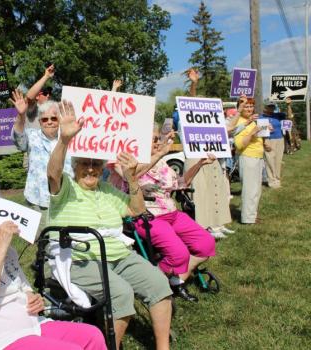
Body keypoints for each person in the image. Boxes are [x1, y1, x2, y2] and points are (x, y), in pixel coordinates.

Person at [47, 101, 172, 349]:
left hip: (116, 253)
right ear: (75, 166)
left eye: (96, 164)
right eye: (85, 163)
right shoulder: (66, 187)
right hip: (80, 258)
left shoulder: (107, 190)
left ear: (103, 167)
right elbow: (53, 173)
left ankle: (163, 347)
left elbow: (137, 210)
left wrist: (130, 176)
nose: (91, 168)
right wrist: (64, 140)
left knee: (159, 284)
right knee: (121, 293)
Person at [0, 197, 106, 350]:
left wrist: (33, 298)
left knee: (93, 336)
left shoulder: (8, 252)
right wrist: (1, 246)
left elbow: (22, 287)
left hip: (33, 325)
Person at [129, 126, 217, 302]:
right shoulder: (129, 163)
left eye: (157, 139)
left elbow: (182, 182)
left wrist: (200, 163)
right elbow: (131, 177)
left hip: (172, 213)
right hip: (147, 216)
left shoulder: (162, 163)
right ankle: (153, 283)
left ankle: (175, 281)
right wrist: (159, 154)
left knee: (206, 243)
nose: (158, 142)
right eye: (154, 139)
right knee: (179, 254)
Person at [11, 89, 73, 228]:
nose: (49, 122)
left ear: (60, 119)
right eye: (45, 119)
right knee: (44, 243)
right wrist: (21, 115)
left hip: (67, 200)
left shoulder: (70, 139)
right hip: (40, 201)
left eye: (53, 118)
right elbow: (19, 140)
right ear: (39, 122)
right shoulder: (32, 136)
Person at [183, 68, 233, 238]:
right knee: (202, 192)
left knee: (216, 189)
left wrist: (240, 110)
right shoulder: (189, 121)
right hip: (196, 158)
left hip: (212, 157)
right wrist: (194, 84)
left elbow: (231, 127)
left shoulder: (213, 125)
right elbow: (190, 99)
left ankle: (218, 223)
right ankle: (205, 226)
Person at [234, 97, 265, 224]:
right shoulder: (239, 123)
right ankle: (247, 218)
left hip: (258, 157)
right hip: (248, 157)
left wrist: (265, 134)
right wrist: (252, 133)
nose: (250, 109)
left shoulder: (251, 121)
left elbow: (256, 137)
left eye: (251, 106)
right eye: (246, 106)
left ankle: (252, 215)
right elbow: (239, 145)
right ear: (240, 108)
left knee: (256, 189)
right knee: (249, 189)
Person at [260, 101, 285, 188]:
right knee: (269, 160)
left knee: (278, 160)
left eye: (272, 106)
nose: (271, 108)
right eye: (269, 106)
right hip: (268, 139)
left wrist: (288, 105)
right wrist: (264, 142)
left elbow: (290, 116)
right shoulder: (261, 117)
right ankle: (271, 181)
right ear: (265, 107)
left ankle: (277, 180)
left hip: (280, 139)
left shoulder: (278, 115)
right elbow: (261, 132)